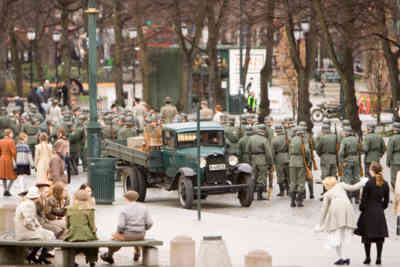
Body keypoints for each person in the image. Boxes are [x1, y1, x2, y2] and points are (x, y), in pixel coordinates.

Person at [315, 176, 368, 266]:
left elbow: (324, 210)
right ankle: (342, 257)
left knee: (335, 232)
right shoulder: (341, 185)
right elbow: (353, 187)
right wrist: (363, 182)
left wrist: (320, 224)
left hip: (336, 208)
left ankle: (339, 254)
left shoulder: (327, 194)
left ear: (327, 185)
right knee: (341, 232)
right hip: (347, 207)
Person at [101, 191, 153, 264]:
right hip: (141, 235)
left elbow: (121, 226)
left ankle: (109, 255)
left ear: (126, 199)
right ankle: (137, 252)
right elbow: (150, 223)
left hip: (127, 236)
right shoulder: (144, 208)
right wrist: (143, 229)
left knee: (114, 237)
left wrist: (118, 233)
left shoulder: (124, 209)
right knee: (135, 237)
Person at [354, 162, 389, 265]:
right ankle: (378, 258)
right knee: (379, 237)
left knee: (367, 236)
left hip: (368, 211)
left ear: (372, 170)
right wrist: (381, 207)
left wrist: (362, 208)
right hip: (379, 211)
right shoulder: (385, 183)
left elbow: (364, 199)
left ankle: (367, 257)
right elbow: (386, 201)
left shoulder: (368, 183)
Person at [14, 186, 55, 264]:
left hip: (23, 230)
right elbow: (28, 222)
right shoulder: (29, 205)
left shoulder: (27, 203)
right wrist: (35, 229)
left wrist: (38, 227)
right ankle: (41, 257)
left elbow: (33, 219)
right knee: (49, 235)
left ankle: (32, 256)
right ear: (36, 197)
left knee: (45, 234)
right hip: (25, 232)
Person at [64, 189, 98, 267]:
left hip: (72, 234)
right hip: (86, 234)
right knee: (94, 243)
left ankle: (72, 259)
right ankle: (91, 260)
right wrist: (94, 232)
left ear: (75, 197)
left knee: (72, 243)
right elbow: (92, 225)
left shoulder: (69, 208)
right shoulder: (90, 209)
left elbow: (67, 224)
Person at [339, 126, 361, 204]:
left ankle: (349, 197)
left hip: (347, 160)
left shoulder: (344, 140)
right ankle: (357, 197)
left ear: (346, 133)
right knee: (356, 178)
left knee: (347, 178)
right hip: (356, 159)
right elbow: (360, 149)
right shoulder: (356, 139)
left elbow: (341, 152)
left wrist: (342, 162)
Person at [0, 129, 17, 196]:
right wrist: (16, 160)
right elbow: (14, 152)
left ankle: (5, 190)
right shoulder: (11, 141)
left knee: (3, 176)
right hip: (8, 159)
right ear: (9, 134)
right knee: (13, 176)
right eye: (11, 133)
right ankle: (7, 190)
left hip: (2, 159)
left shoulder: (1, 141)